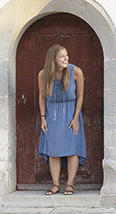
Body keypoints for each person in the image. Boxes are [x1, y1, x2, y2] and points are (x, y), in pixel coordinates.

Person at [38, 44, 88, 195]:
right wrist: (43, 118)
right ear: (53, 59)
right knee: (53, 150)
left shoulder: (76, 72)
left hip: (71, 113)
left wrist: (76, 118)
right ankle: (55, 185)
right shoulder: (43, 74)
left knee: (72, 149)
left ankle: (70, 184)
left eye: (66, 55)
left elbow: (80, 96)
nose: (66, 59)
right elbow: (41, 97)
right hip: (51, 114)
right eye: (62, 56)